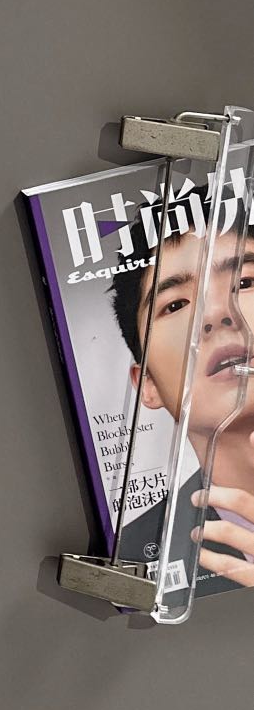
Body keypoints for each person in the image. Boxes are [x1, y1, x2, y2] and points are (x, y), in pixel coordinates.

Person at [108, 193, 254, 592]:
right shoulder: (136, 558)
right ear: (148, 384)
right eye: (174, 305)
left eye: (244, 282)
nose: (217, 313)